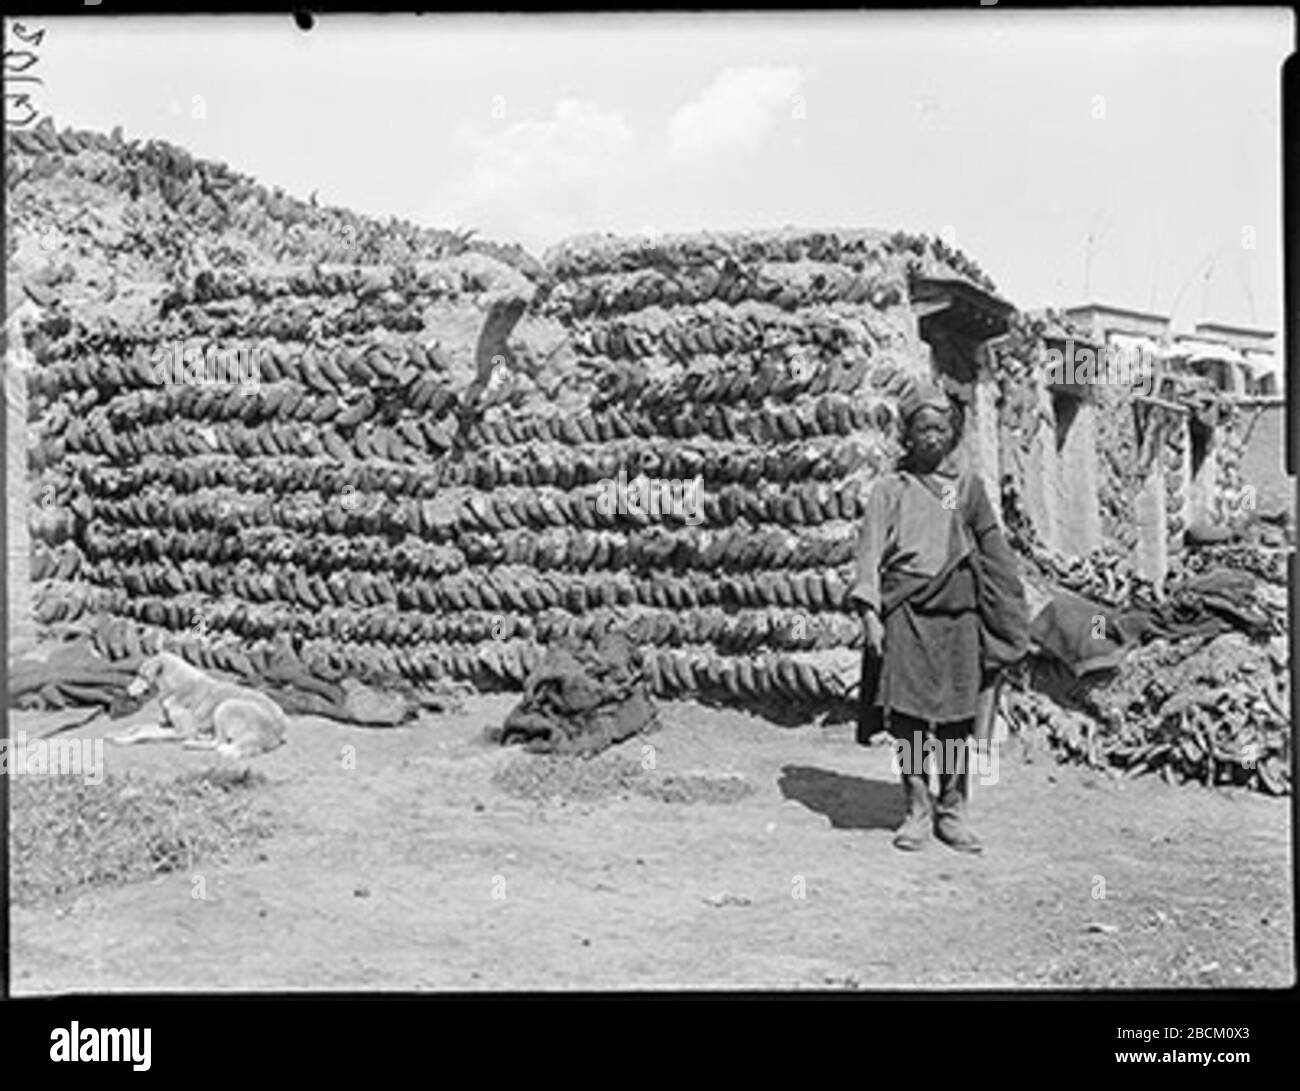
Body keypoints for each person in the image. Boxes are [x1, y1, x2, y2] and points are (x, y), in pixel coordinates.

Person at [851, 379, 1027, 853]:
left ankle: (952, 808)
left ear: (951, 434)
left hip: (959, 617)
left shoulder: (964, 490)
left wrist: (1011, 616)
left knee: (955, 719)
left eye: (941, 428)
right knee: (908, 719)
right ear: (907, 435)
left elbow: (994, 552)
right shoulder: (892, 489)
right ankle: (916, 808)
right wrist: (870, 615)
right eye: (923, 428)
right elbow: (868, 554)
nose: (932, 437)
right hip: (907, 612)